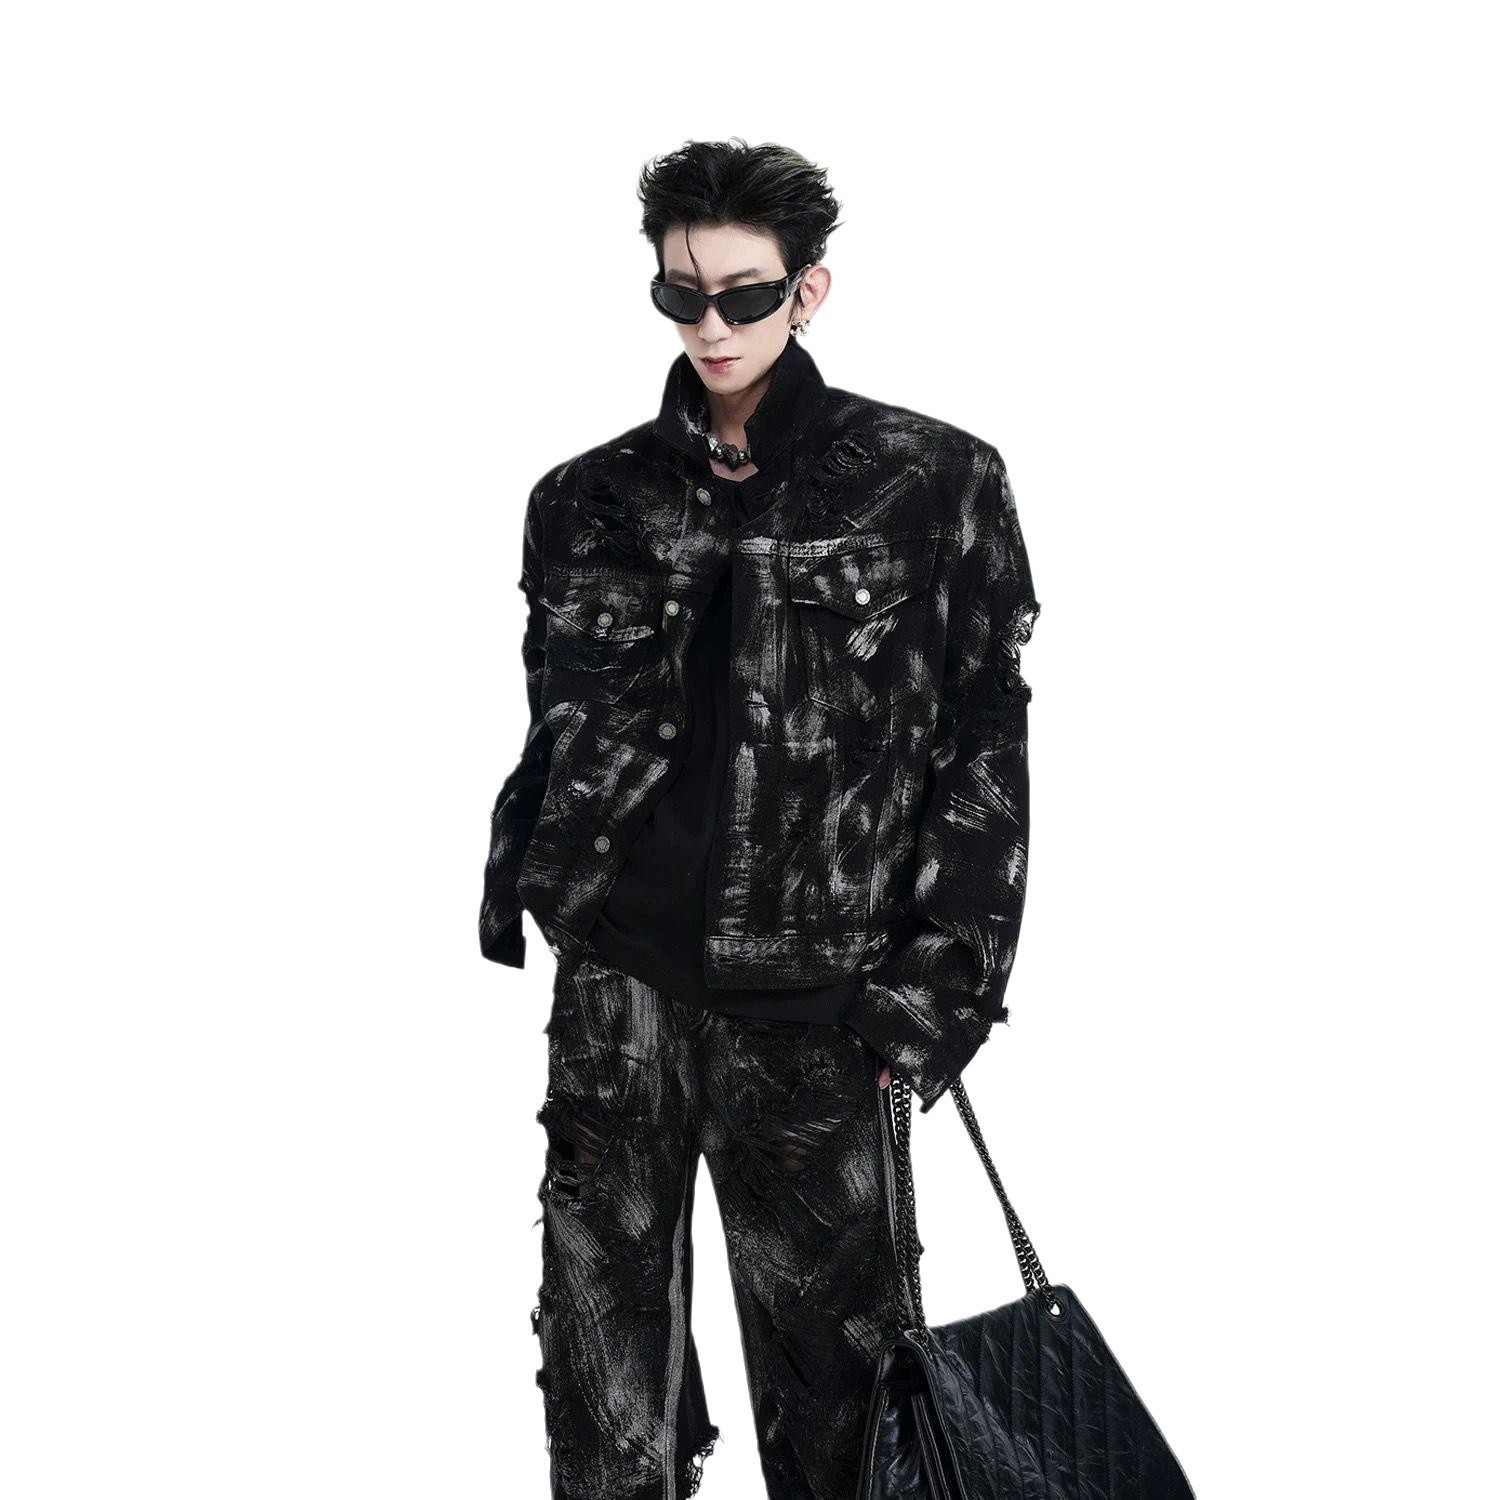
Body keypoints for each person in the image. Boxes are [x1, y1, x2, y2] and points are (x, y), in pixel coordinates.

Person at [479, 137, 1040, 1500]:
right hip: (619, 998)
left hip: (821, 1007)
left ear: (809, 290)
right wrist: (545, 887)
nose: (712, 327)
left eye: (743, 295)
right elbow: (560, 722)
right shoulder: (586, 499)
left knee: (845, 1408)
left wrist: (937, 995)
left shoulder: (934, 483)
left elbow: (983, 751)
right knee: (602, 1387)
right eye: (681, 296)